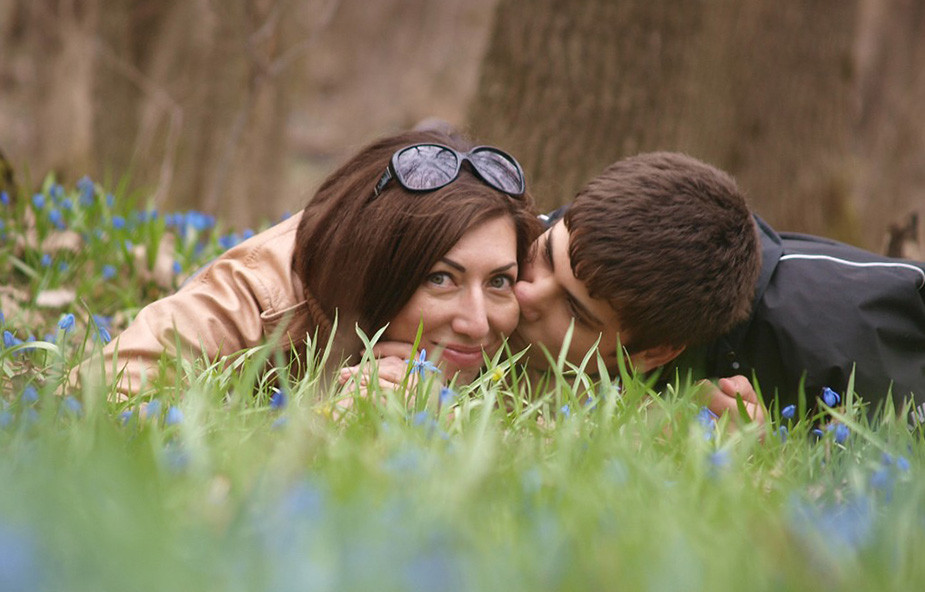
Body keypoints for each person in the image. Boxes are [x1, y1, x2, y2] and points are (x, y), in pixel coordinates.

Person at [72, 129, 542, 397]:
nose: (477, 323)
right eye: (441, 278)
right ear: (372, 263)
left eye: (499, 280)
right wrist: (326, 421)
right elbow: (83, 405)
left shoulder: (532, 312)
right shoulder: (256, 296)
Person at [511, 151, 925, 421]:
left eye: (573, 310)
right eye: (544, 255)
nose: (524, 293)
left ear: (653, 353)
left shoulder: (856, 335)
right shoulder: (526, 238)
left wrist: (773, 457)